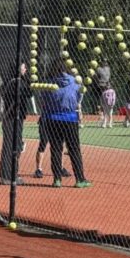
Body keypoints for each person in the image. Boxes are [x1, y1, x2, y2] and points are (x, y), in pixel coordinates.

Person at [42, 59, 91, 188]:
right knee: (74, 149)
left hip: (52, 118)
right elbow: (79, 97)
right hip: (70, 119)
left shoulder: (49, 82)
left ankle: (57, 179)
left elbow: (44, 99)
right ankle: (80, 179)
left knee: (56, 149)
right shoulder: (75, 81)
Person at [0, 62, 31, 185]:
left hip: (11, 118)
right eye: (23, 67)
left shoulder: (12, 81)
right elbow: (28, 93)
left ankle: (6, 174)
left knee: (11, 146)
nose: (25, 69)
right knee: (13, 147)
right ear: (18, 69)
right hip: (13, 118)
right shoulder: (17, 82)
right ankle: (10, 176)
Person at [34, 115, 71, 179]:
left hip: (57, 121)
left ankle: (60, 168)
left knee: (59, 145)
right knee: (43, 144)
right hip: (45, 121)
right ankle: (38, 169)